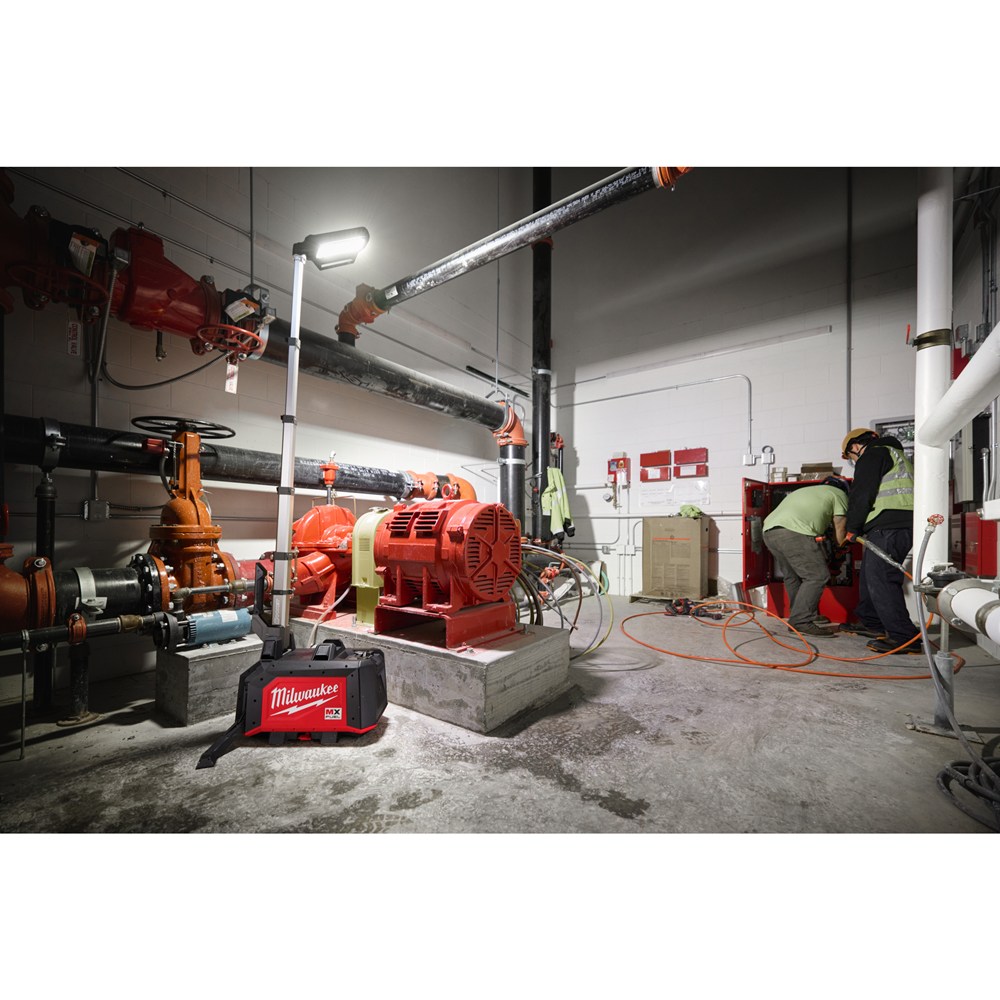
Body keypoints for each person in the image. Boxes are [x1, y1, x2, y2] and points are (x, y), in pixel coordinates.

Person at [839, 428, 922, 655]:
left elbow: (862, 493)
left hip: (889, 525)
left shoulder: (873, 454)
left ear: (856, 446)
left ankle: (904, 637)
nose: (854, 461)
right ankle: (871, 622)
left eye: (851, 457)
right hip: (895, 524)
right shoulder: (897, 456)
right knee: (870, 575)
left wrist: (852, 528)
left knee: (882, 578)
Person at [762, 476, 849, 637]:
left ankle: (799, 615)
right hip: (794, 532)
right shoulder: (838, 494)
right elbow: (840, 527)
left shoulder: (804, 491)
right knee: (817, 576)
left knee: (792, 576)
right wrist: (839, 548)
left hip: (770, 532)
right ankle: (801, 621)